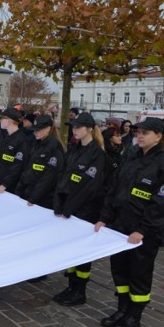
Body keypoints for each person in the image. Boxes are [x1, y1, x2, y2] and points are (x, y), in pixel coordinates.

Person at [95, 117, 164, 327]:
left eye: (146, 133)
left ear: (158, 136)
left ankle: (134, 316)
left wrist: (143, 230)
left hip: (142, 233)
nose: (140, 135)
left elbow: (162, 205)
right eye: (139, 132)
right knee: (119, 270)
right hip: (119, 227)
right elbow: (114, 190)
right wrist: (105, 217)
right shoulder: (130, 157)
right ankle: (122, 309)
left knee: (139, 274)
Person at [52, 112, 107, 307]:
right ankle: (71, 286)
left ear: (90, 129)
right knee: (72, 250)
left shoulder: (97, 154)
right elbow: (64, 177)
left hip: (85, 210)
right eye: (73, 127)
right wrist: (59, 202)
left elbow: (90, 187)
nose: (74, 130)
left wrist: (70, 207)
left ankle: (79, 290)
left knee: (83, 254)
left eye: (78, 127)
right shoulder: (74, 150)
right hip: (69, 208)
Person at [15, 114, 65, 209]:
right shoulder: (37, 144)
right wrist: (19, 189)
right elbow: (28, 168)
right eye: (34, 130)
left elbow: (49, 178)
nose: (35, 132)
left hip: (42, 201)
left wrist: (33, 197)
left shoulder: (54, 148)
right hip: (28, 194)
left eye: (38, 130)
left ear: (48, 129)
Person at [0, 107, 29, 193]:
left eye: (2, 118)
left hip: (9, 188)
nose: (0, 120)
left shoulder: (22, 140)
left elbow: (18, 166)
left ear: (9, 120)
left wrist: (5, 184)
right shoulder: (5, 137)